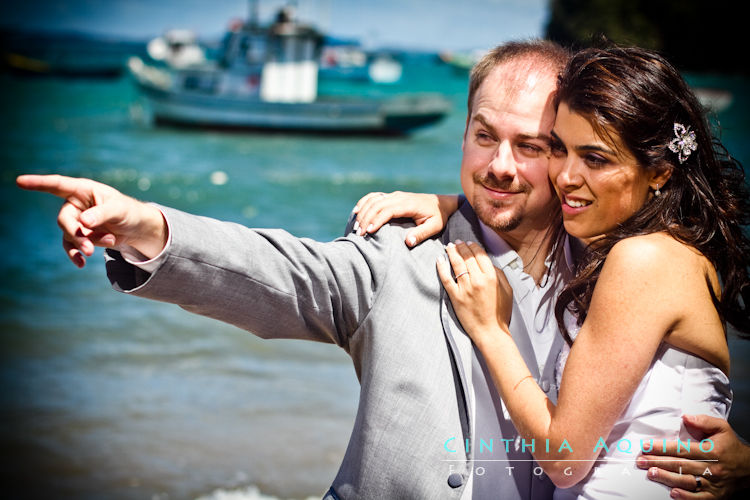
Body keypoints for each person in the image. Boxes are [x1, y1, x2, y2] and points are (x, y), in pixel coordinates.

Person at [15, 40, 747, 499]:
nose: (498, 166)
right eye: (482, 135)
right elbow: (282, 272)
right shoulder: (401, 255)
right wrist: (147, 226)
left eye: (532, 146)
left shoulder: (620, 265)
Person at [353, 44, 750, 499]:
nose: (565, 176)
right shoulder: (670, 250)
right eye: (559, 149)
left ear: (659, 172)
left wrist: (490, 329)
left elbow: (564, 458)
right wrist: (458, 205)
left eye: (596, 159)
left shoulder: (642, 259)